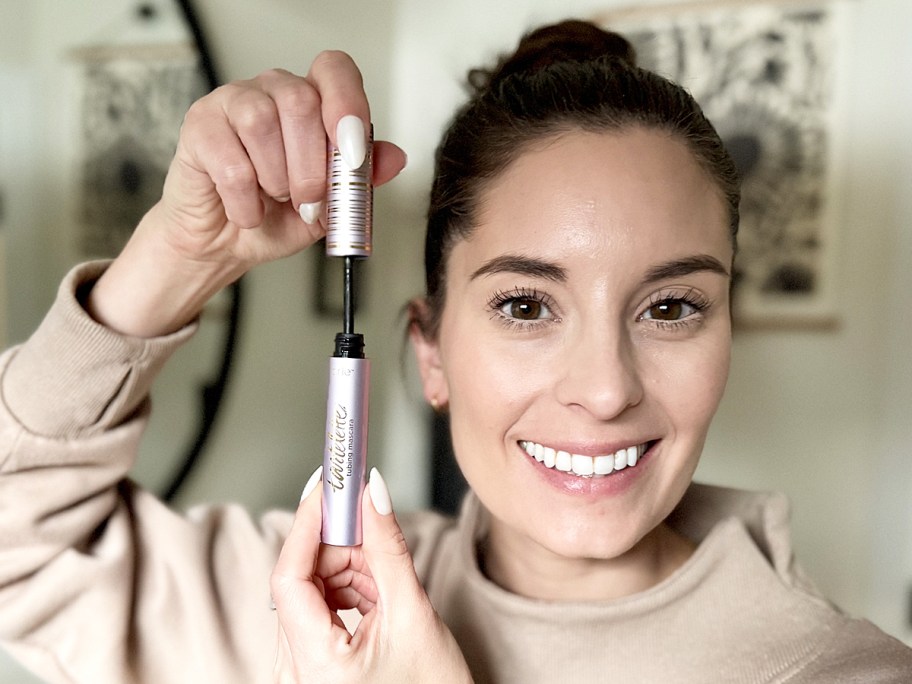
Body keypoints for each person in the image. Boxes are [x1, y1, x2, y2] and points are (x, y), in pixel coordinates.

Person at [0, 18, 910, 684]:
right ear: (429, 354)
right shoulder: (306, 601)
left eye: (670, 306)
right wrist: (178, 257)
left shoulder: (839, 672)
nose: (603, 390)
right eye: (525, 304)